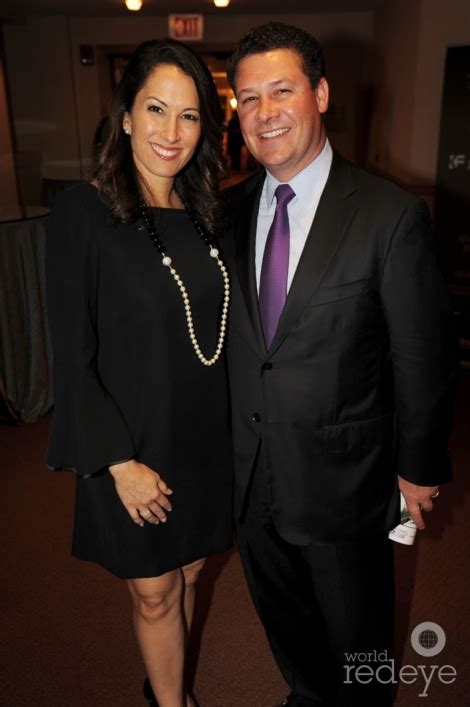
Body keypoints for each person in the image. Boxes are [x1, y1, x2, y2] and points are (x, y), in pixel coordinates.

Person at [225, 22, 456, 706]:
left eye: (281, 91)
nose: (264, 113)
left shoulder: (389, 214)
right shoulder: (230, 209)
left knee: (361, 652)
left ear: (320, 94)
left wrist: (417, 466)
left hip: (345, 483)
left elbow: (423, 352)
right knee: (288, 630)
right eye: (246, 98)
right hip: (253, 478)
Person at [46, 40, 232, 707]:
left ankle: (164, 688)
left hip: (205, 437)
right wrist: (117, 460)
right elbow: (71, 352)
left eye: (189, 116)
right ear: (125, 114)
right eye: (156, 109)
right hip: (128, 437)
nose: (171, 132)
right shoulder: (82, 212)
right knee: (154, 590)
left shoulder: (212, 214)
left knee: (187, 572)